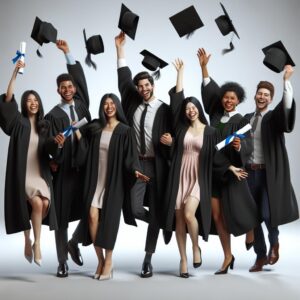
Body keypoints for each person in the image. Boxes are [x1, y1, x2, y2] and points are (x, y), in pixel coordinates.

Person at [115, 31, 172, 278]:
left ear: (153, 85)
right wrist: (120, 50)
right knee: (136, 209)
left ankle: (148, 258)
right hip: (137, 164)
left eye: (147, 85)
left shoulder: (165, 109)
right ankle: (162, 222)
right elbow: (122, 78)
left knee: (157, 207)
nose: (143, 89)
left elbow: (178, 132)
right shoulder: (131, 104)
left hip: (158, 166)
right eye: (140, 86)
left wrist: (172, 140)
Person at [198, 48, 258, 274]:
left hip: (233, 172)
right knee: (217, 216)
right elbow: (208, 91)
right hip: (215, 171)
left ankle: (251, 229)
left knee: (241, 209)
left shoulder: (242, 121)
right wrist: (204, 67)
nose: (228, 100)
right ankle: (227, 256)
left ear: (238, 100)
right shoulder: (215, 116)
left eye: (233, 98)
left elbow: (249, 145)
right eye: (226, 97)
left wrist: (239, 146)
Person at [77, 93, 149, 280]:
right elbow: (82, 144)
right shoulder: (95, 128)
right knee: (92, 217)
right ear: (102, 107)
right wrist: (77, 133)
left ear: (117, 106)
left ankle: (109, 260)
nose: (109, 107)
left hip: (114, 182)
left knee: (109, 221)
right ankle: (100, 259)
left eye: (112, 103)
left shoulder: (125, 131)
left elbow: (131, 157)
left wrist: (135, 171)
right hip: (95, 180)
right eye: (105, 104)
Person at [160, 59, 217, 278]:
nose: (190, 110)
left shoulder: (210, 131)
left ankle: (195, 247)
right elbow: (176, 101)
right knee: (179, 220)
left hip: (197, 178)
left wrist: (230, 167)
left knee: (189, 213)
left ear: (199, 110)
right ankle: (183, 259)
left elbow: (215, 157)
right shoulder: (181, 129)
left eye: (194, 107)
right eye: (188, 108)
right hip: (179, 175)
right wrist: (180, 73)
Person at [0, 60, 59, 266]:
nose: (33, 102)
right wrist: (15, 73)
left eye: (36, 100)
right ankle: (34, 242)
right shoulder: (19, 122)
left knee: (43, 204)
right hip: (23, 174)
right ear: (24, 104)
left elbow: (50, 149)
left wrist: (56, 150)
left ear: (39, 103)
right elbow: (7, 101)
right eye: (29, 100)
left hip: (41, 174)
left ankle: (31, 241)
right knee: (36, 202)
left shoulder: (46, 125)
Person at [245, 65, 298, 272]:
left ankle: (274, 243)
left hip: (268, 174)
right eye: (259, 93)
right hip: (249, 173)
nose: (262, 97)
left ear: (270, 98)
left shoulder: (274, 118)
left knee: (268, 213)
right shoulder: (247, 119)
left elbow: (286, 108)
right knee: (254, 216)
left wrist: (286, 82)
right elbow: (234, 139)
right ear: (255, 96)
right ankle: (260, 256)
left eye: (266, 95)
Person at [45, 40, 91, 277]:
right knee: (61, 217)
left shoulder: (83, 108)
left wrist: (68, 53)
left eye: (70, 86)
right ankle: (62, 261)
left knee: (92, 211)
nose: (68, 89)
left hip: (84, 169)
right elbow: (45, 145)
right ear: (58, 90)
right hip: (63, 171)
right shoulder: (52, 115)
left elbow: (81, 80)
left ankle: (74, 242)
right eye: (63, 87)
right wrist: (54, 149)